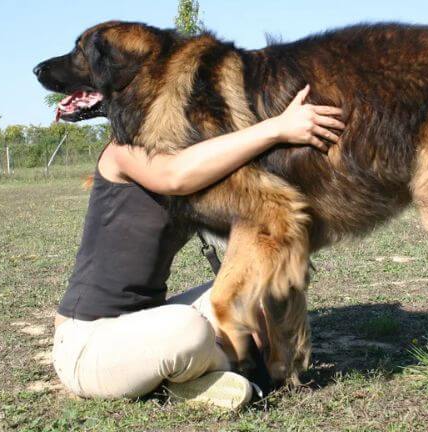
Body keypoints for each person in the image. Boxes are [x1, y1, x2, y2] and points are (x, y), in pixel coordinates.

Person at [52, 85, 344, 410]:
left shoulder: (194, 156)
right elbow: (175, 176)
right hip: (87, 342)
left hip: (146, 323)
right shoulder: (124, 148)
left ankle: (209, 370)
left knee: (260, 278)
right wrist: (277, 128)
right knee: (189, 331)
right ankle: (212, 366)